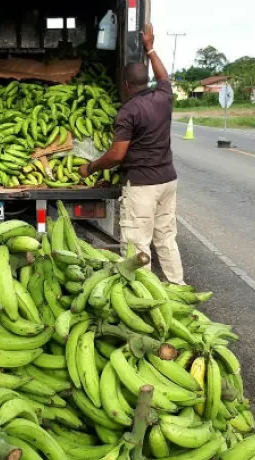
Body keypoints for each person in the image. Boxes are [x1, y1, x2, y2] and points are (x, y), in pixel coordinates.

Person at [79, 23, 185, 285]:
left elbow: (117, 155)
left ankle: (141, 293)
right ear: (146, 82)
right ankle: (178, 287)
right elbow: (164, 78)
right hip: (167, 180)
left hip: (143, 185)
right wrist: (149, 48)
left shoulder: (129, 111)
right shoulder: (163, 96)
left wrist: (91, 167)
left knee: (137, 244)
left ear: (126, 85)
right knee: (165, 237)